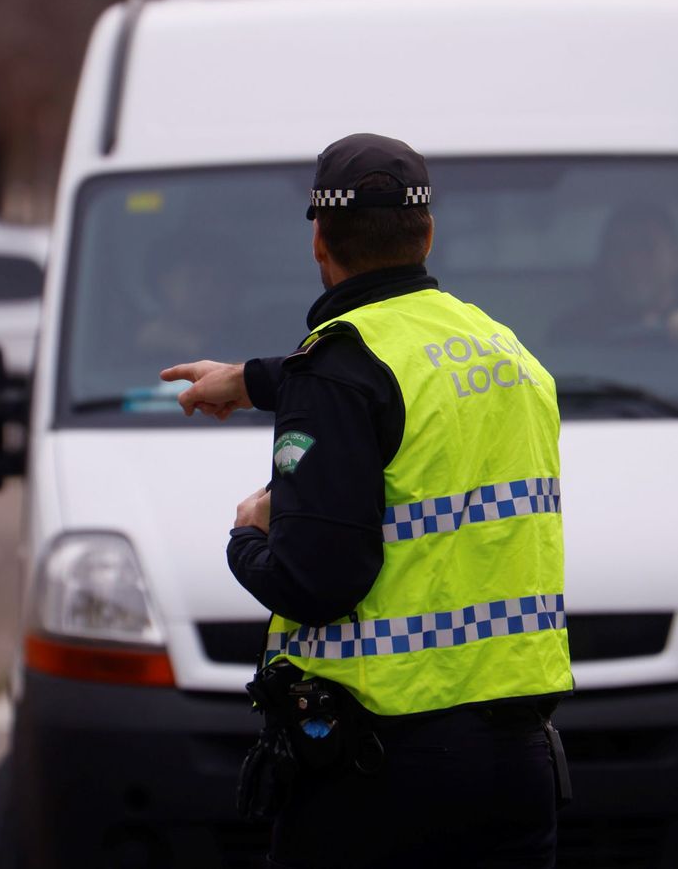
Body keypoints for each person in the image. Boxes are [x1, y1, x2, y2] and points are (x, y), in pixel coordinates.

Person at [161, 133, 573, 869]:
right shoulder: (507, 352)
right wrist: (252, 379)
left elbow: (315, 582)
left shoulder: (337, 370)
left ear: (319, 242)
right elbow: (396, 380)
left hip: (381, 773)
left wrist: (248, 535)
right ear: (428, 234)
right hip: (516, 763)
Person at [550, 201, 678, 348]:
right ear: (605, 263)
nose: (632, 263)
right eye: (619, 250)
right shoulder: (573, 332)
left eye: (647, 247)